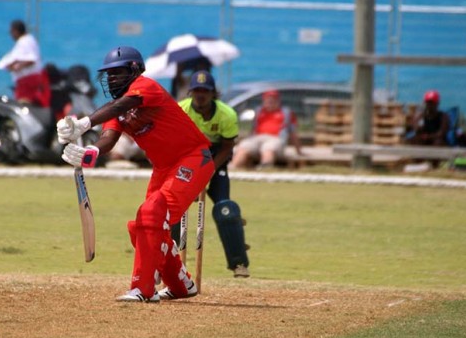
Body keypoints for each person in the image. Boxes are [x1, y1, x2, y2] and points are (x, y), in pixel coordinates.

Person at [57, 46, 214, 303]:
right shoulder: (115, 109)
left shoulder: (146, 86)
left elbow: (125, 103)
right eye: (108, 74)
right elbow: (108, 139)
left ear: (134, 70)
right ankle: (180, 285)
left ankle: (143, 289)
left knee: (152, 213)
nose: (111, 79)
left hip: (193, 158)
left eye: (117, 73)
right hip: (163, 167)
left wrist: (85, 123)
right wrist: (88, 152)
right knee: (141, 226)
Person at [176, 70, 250, 278]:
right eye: (197, 91)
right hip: (187, 160)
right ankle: (164, 264)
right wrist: (192, 174)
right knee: (173, 208)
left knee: (226, 210)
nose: (201, 95)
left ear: (213, 93)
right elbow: (174, 142)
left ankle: (238, 262)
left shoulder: (227, 114)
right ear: (191, 92)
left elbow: (227, 147)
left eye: (205, 91)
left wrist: (207, 172)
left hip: (216, 160)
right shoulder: (181, 110)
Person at [230, 89, 303, 169]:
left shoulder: (286, 113)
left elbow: (293, 133)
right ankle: (232, 168)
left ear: (278, 101)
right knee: (244, 146)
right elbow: (253, 129)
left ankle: (265, 168)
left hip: (276, 138)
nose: (270, 103)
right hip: (257, 137)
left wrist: (298, 151)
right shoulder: (258, 111)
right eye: (268, 100)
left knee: (268, 148)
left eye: (273, 100)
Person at [0, 19, 50, 107]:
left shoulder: (25, 41)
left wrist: (16, 67)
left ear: (16, 31)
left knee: (23, 105)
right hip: (29, 80)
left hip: (28, 81)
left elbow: (31, 59)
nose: (11, 35)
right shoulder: (28, 40)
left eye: (11, 32)